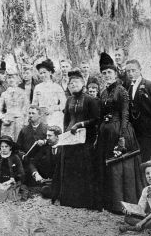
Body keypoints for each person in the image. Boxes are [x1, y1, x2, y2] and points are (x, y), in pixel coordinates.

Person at [96, 53, 144, 213]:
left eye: (109, 72)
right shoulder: (103, 92)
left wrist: (122, 136)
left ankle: (123, 204)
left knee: (121, 167)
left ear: (116, 74)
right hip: (106, 133)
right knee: (109, 166)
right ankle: (111, 202)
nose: (106, 75)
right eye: (104, 73)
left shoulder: (121, 90)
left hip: (120, 132)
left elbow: (125, 114)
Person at [52, 70, 99, 210]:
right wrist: (66, 134)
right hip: (70, 139)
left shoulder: (90, 100)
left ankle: (83, 201)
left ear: (83, 84)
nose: (73, 85)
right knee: (69, 168)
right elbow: (66, 120)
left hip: (84, 139)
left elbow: (96, 119)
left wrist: (81, 124)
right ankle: (68, 199)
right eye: (70, 84)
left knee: (83, 168)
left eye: (76, 83)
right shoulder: (69, 100)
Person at [26, 126, 61, 198]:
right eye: (47, 135)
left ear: (57, 136)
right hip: (47, 181)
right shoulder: (45, 148)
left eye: (50, 135)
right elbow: (32, 162)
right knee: (45, 191)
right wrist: (36, 174)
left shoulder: (65, 148)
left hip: (61, 181)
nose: (47, 138)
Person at [32, 59, 66, 131]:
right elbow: (34, 104)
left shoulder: (57, 87)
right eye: (41, 73)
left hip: (55, 115)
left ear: (50, 72)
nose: (43, 75)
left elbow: (64, 103)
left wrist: (53, 109)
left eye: (45, 72)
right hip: (42, 116)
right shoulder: (37, 87)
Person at [0, 136, 24, 202]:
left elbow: (21, 173)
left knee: (10, 193)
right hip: (1, 181)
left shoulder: (15, 157)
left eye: (6, 146)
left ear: (10, 147)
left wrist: (11, 180)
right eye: (2, 146)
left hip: (12, 181)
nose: (4, 148)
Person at [0, 68, 29, 140]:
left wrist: (25, 123)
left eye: (13, 77)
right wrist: (3, 118)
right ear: (6, 79)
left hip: (20, 121)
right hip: (7, 121)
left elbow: (27, 109)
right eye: (9, 78)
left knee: (19, 141)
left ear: (17, 79)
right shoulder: (4, 94)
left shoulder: (23, 93)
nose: (11, 80)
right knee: (7, 142)